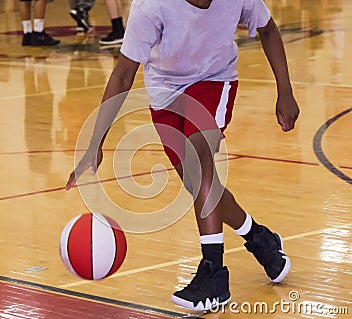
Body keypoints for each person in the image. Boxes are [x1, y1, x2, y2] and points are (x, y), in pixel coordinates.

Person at [66, 0, 300, 311]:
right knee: (201, 186)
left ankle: (214, 272)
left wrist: (285, 90)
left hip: (215, 81)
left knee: (197, 160)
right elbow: (123, 74)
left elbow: (268, 31)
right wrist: (96, 142)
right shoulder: (151, 5)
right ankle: (259, 238)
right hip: (164, 90)